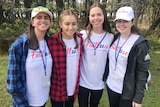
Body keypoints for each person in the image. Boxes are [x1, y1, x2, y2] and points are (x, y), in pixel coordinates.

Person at [103, 6, 150, 107]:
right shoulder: (115, 38)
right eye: (118, 21)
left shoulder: (140, 44)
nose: (121, 24)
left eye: (125, 20)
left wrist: (138, 98)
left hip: (127, 93)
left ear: (132, 22)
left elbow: (142, 72)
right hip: (111, 87)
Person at [7, 6, 53, 107]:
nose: (43, 20)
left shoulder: (50, 42)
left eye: (46, 18)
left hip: (43, 98)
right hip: (26, 102)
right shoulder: (19, 46)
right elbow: (12, 85)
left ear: (50, 23)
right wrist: (23, 104)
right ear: (32, 22)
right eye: (39, 17)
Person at [78, 3, 114, 107]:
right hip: (83, 81)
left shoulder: (110, 37)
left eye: (99, 14)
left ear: (104, 16)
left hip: (99, 83)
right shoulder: (83, 34)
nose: (96, 18)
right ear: (89, 17)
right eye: (92, 15)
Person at [48, 9, 83, 107]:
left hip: (73, 88)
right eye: (67, 24)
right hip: (57, 89)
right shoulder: (52, 42)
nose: (71, 28)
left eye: (74, 24)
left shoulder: (80, 40)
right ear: (60, 24)